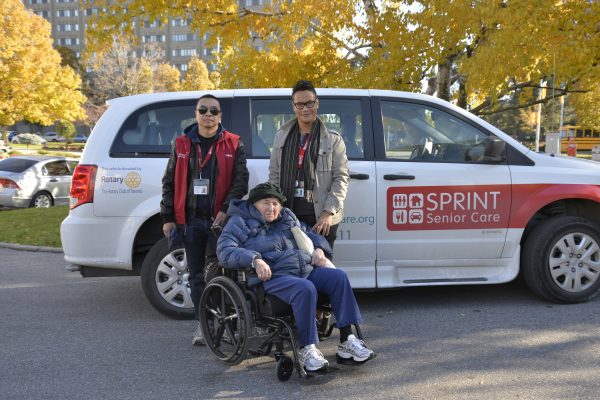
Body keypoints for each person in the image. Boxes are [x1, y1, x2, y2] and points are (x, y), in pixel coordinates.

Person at [217, 182, 374, 372]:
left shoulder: (287, 216)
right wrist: (254, 259)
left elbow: (310, 234)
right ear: (254, 204)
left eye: (275, 203)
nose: (272, 208)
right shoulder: (240, 221)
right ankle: (307, 349)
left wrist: (319, 249)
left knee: (338, 277)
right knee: (304, 288)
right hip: (272, 277)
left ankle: (347, 341)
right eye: (266, 203)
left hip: (304, 270)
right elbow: (225, 251)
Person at [161, 94, 249, 346]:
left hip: (220, 222)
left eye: (213, 110)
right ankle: (204, 324)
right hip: (190, 221)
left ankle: (230, 322)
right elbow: (169, 182)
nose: (208, 114)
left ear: (220, 115)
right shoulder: (181, 144)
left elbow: (240, 182)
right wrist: (168, 217)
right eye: (203, 110)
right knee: (196, 275)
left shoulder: (234, 143)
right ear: (196, 114)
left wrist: (225, 209)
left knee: (224, 272)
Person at [269, 80, 349, 251]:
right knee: (294, 265)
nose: (305, 109)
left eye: (309, 103)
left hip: (322, 216)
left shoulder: (333, 140)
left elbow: (341, 178)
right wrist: (276, 208)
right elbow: (274, 176)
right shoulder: (281, 137)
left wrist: (328, 212)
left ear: (317, 103)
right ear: (293, 106)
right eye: (299, 104)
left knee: (322, 265)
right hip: (289, 214)